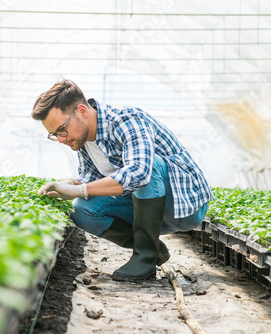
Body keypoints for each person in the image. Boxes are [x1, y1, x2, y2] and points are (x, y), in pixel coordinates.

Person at [32, 79, 214, 282]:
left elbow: (139, 173)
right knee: (81, 209)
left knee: (146, 165)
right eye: (55, 135)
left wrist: (81, 189)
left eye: (62, 130)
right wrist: (71, 185)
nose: (62, 139)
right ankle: (151, 250)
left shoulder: (126, 120)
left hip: (184, 205)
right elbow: (90, 179)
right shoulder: (83, 140)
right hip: (148, 209)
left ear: (82, 111)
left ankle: (144, 259)